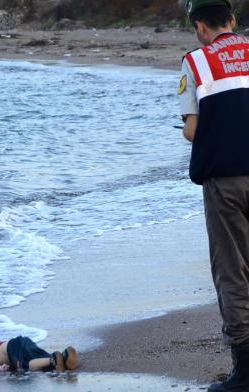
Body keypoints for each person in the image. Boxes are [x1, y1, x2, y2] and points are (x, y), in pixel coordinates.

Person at [179, 0, 249, 391]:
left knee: (232, 270)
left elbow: (192, 130)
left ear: (201, 26)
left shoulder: (197, 62)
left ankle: (245, 371)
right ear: (233, 21)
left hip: (226, 180)